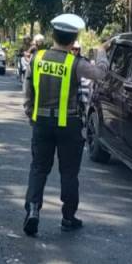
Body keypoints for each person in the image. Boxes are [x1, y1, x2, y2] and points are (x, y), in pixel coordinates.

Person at [23, 14, 108, 237]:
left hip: (41, 123)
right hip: (69, 125)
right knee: (69, 173)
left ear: (53, 35)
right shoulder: (75, 63)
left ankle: (33, 210)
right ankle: (68, 218)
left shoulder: (37, 58)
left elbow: (28, 89)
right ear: (73, 40)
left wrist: (30, 113)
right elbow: (101, 75)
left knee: (39, 168)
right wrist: (101, 52)